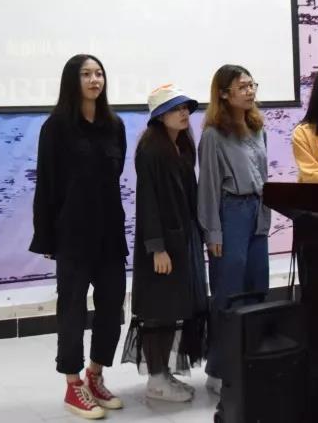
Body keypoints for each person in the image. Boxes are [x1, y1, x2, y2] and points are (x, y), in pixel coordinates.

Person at [29, 54, 128, 420]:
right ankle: (73, 384)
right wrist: (46, 237)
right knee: (72, 308)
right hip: (72, 233)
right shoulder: (56, 127)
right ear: (73, 80)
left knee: (112, 304)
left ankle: (95, 374)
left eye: (99, 73)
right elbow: (46, 185)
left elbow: (115, 176)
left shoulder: (114, 125)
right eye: (86, 74)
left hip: (110, 231)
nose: (94, 79)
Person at [121, 84, 208, 403]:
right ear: (159, 116)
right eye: (175, 109)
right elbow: (148, 202)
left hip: (184, 240)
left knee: (176, 309)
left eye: (185, 108)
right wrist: (157, 248)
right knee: (159, 310)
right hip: (162, 246)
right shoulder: (151, 150)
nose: (183, 113)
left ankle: (164, 373)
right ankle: (156, 379)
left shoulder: (181, 147)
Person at [197, 65, 271, 394]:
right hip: (230, 213)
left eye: (252, 85)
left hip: (257, 209)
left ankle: (251, 362)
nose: (250, 91)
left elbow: (264, 177)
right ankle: (218, 370)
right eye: (242, 87)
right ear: (224, 94)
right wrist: (213, 232)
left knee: (258, 287)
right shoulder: (213, 135)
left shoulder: (258, 128)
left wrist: (265, 216)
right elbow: (208, 188)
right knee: (228, 294)